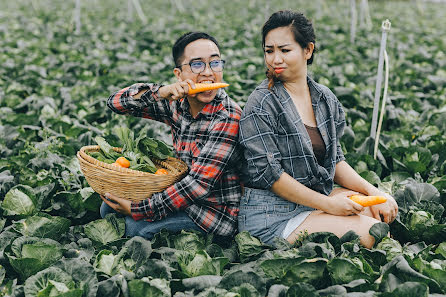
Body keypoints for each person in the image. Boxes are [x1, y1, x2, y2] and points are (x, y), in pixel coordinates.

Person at [238, 10, 398, 248]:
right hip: (271, 215)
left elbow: (337, 161)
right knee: (371, 233)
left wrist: (375, 191)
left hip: (311, 202)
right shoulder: (261, 103)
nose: (275, 59)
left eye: (284, 50)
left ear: (308, 50)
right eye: (268, 51)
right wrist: (329, 204)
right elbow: (271, 176)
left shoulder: (324, 98)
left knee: (377, 213)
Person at [101, 32, 242, 240]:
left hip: (212, 216)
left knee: (134, 229)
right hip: (182, 199)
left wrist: (138, 209)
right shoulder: (176, 104)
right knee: (108, 208)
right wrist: (161, 92)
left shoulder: (227, 118)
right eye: (197, 65)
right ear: (179, 74)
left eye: (215, 63)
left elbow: (197, 186)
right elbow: (116, 103)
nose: (208, 73)